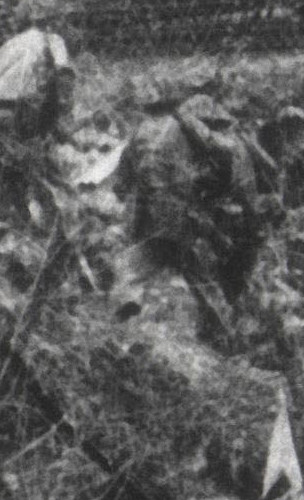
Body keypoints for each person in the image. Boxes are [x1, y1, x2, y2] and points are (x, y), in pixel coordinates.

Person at [112, 84, 284, 349]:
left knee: (143, 263)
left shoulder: (140, 132)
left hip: (143, 212)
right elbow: (223, 154)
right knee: (195, 271)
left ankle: (123, 313)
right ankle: (225, 331)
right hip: (175, 210)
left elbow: (121, 181)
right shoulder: (189, 128)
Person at [0, 0, 75, 231]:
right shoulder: (52, 41)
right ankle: (53, 231)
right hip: (18, 117)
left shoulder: (9, 45)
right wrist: (62, 116)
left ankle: (5, 229)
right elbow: (63, 76)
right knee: (40, 179)